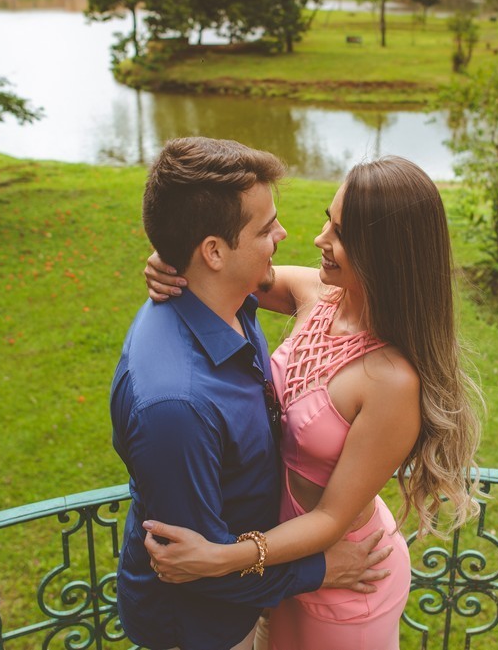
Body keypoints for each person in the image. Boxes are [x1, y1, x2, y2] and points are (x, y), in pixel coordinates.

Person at [142, 156, 484, 650]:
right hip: (287, 566)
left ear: (384, 254)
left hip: (345, 580)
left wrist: (219, 557)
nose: (321, 238)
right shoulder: (319, 294)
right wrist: (171, 262)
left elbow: (329, 520)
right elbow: (227, 267)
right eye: (329, 218)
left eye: (341, 233)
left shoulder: (391, 381)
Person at [110, 137, 392, 650]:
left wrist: (176, 250)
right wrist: (319, 570)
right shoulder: (178, 407)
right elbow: (192, 565)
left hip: (260, 587)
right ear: (215, 252)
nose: (288, 235)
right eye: (266, 229)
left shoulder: (235, 297)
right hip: (202, 630)